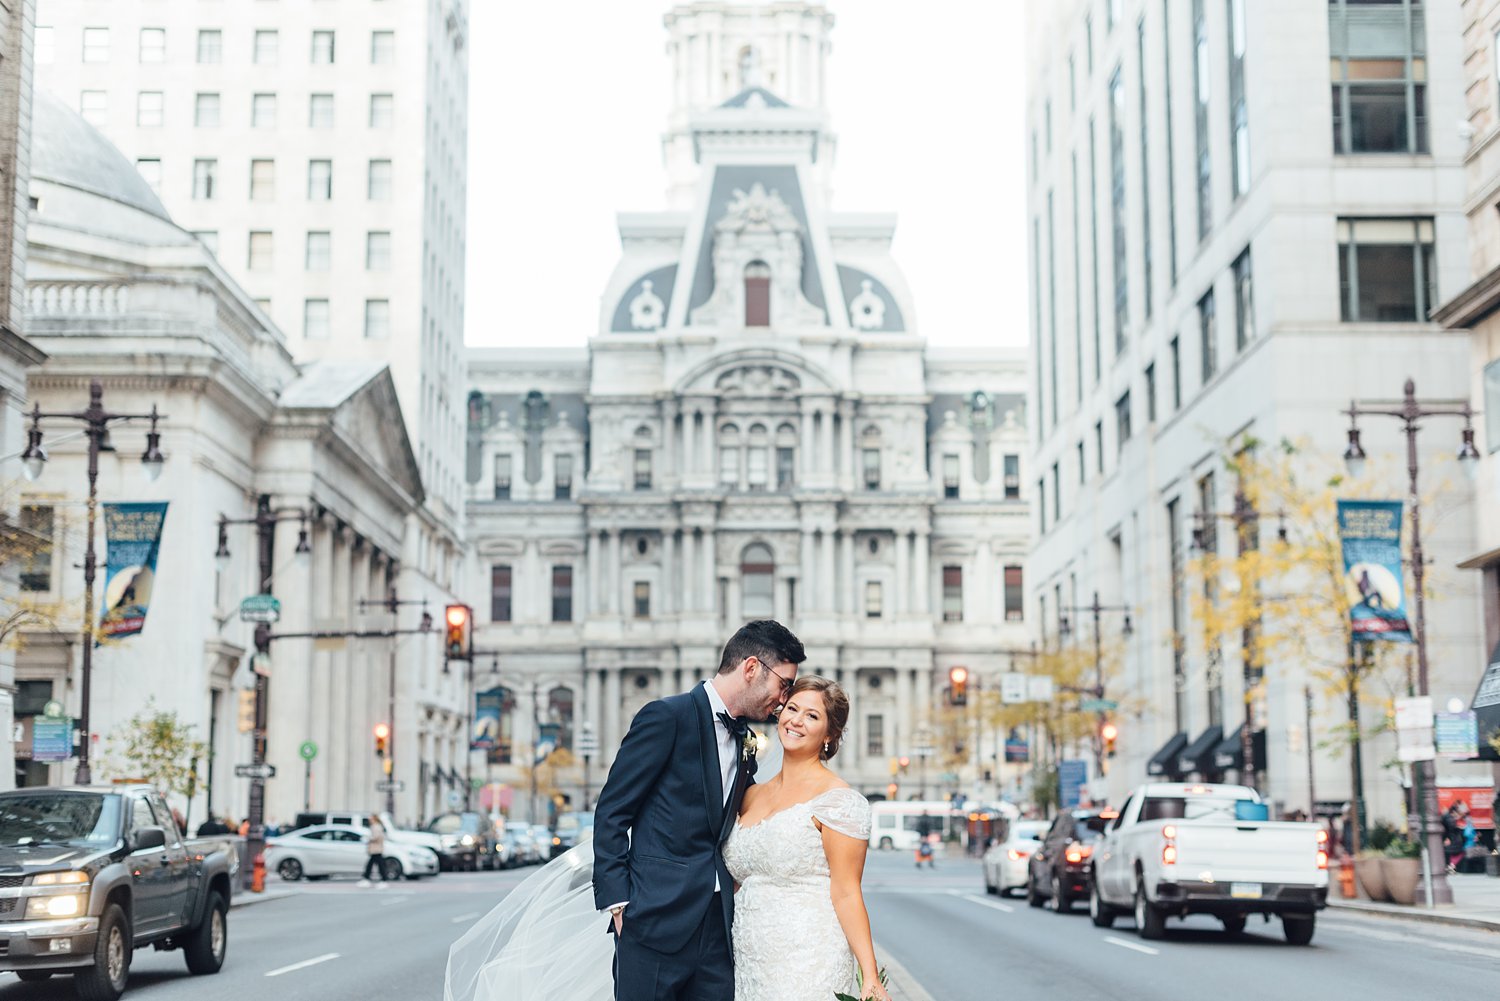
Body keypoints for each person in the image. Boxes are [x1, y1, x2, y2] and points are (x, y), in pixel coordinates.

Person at [442, 619, 808, 1001]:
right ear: (751, 668)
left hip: (717, 929)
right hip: (652, 923)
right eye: (783, 684)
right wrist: (621, 904)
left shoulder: (744, 739)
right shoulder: (666, 717)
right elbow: (613, 811)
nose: (783, 699)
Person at [723, 676, 890, 1001]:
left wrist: (869, 975)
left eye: (812, 716)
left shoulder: (838, 802)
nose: (796, 720)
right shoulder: (749, 795)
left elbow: (846, 892)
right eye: (792, 709)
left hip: (808, 957)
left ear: (830, 734)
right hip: (749, 962)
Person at [361, 813, 388, 888]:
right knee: (375, 864)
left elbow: (375, 837)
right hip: (376, 849)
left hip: (376, 849)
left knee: (375, 865)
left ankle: (382, 880)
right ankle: (368, 879)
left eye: (371, 818)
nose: (369, 820)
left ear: (374, 819)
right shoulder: (377, 826)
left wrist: (368, 838)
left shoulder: (376, 826)